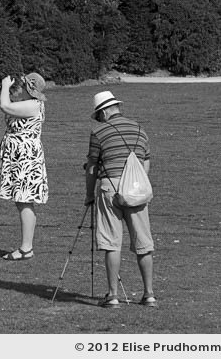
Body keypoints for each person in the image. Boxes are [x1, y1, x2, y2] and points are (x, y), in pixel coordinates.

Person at [84, 90, 157, 308]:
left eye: (98, 115)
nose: (98, 119)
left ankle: (113, 295)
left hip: (110, 188)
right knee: (143, 243)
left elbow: (92, 167)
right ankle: (149, 294)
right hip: (136, 189)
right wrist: (137, 185)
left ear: (104, 112)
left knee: (111, 243)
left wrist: (89, 195)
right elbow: (145, 162)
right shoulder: (139, 129)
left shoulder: (99, 133)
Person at [0, 72, 48, 260]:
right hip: (19, 156)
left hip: (25, 158)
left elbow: (5, 106)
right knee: (21, 200)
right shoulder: (28, 104)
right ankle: (26, 246)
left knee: (24, 199)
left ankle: (27, 248)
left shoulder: (33, 105)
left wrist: (4, 87)